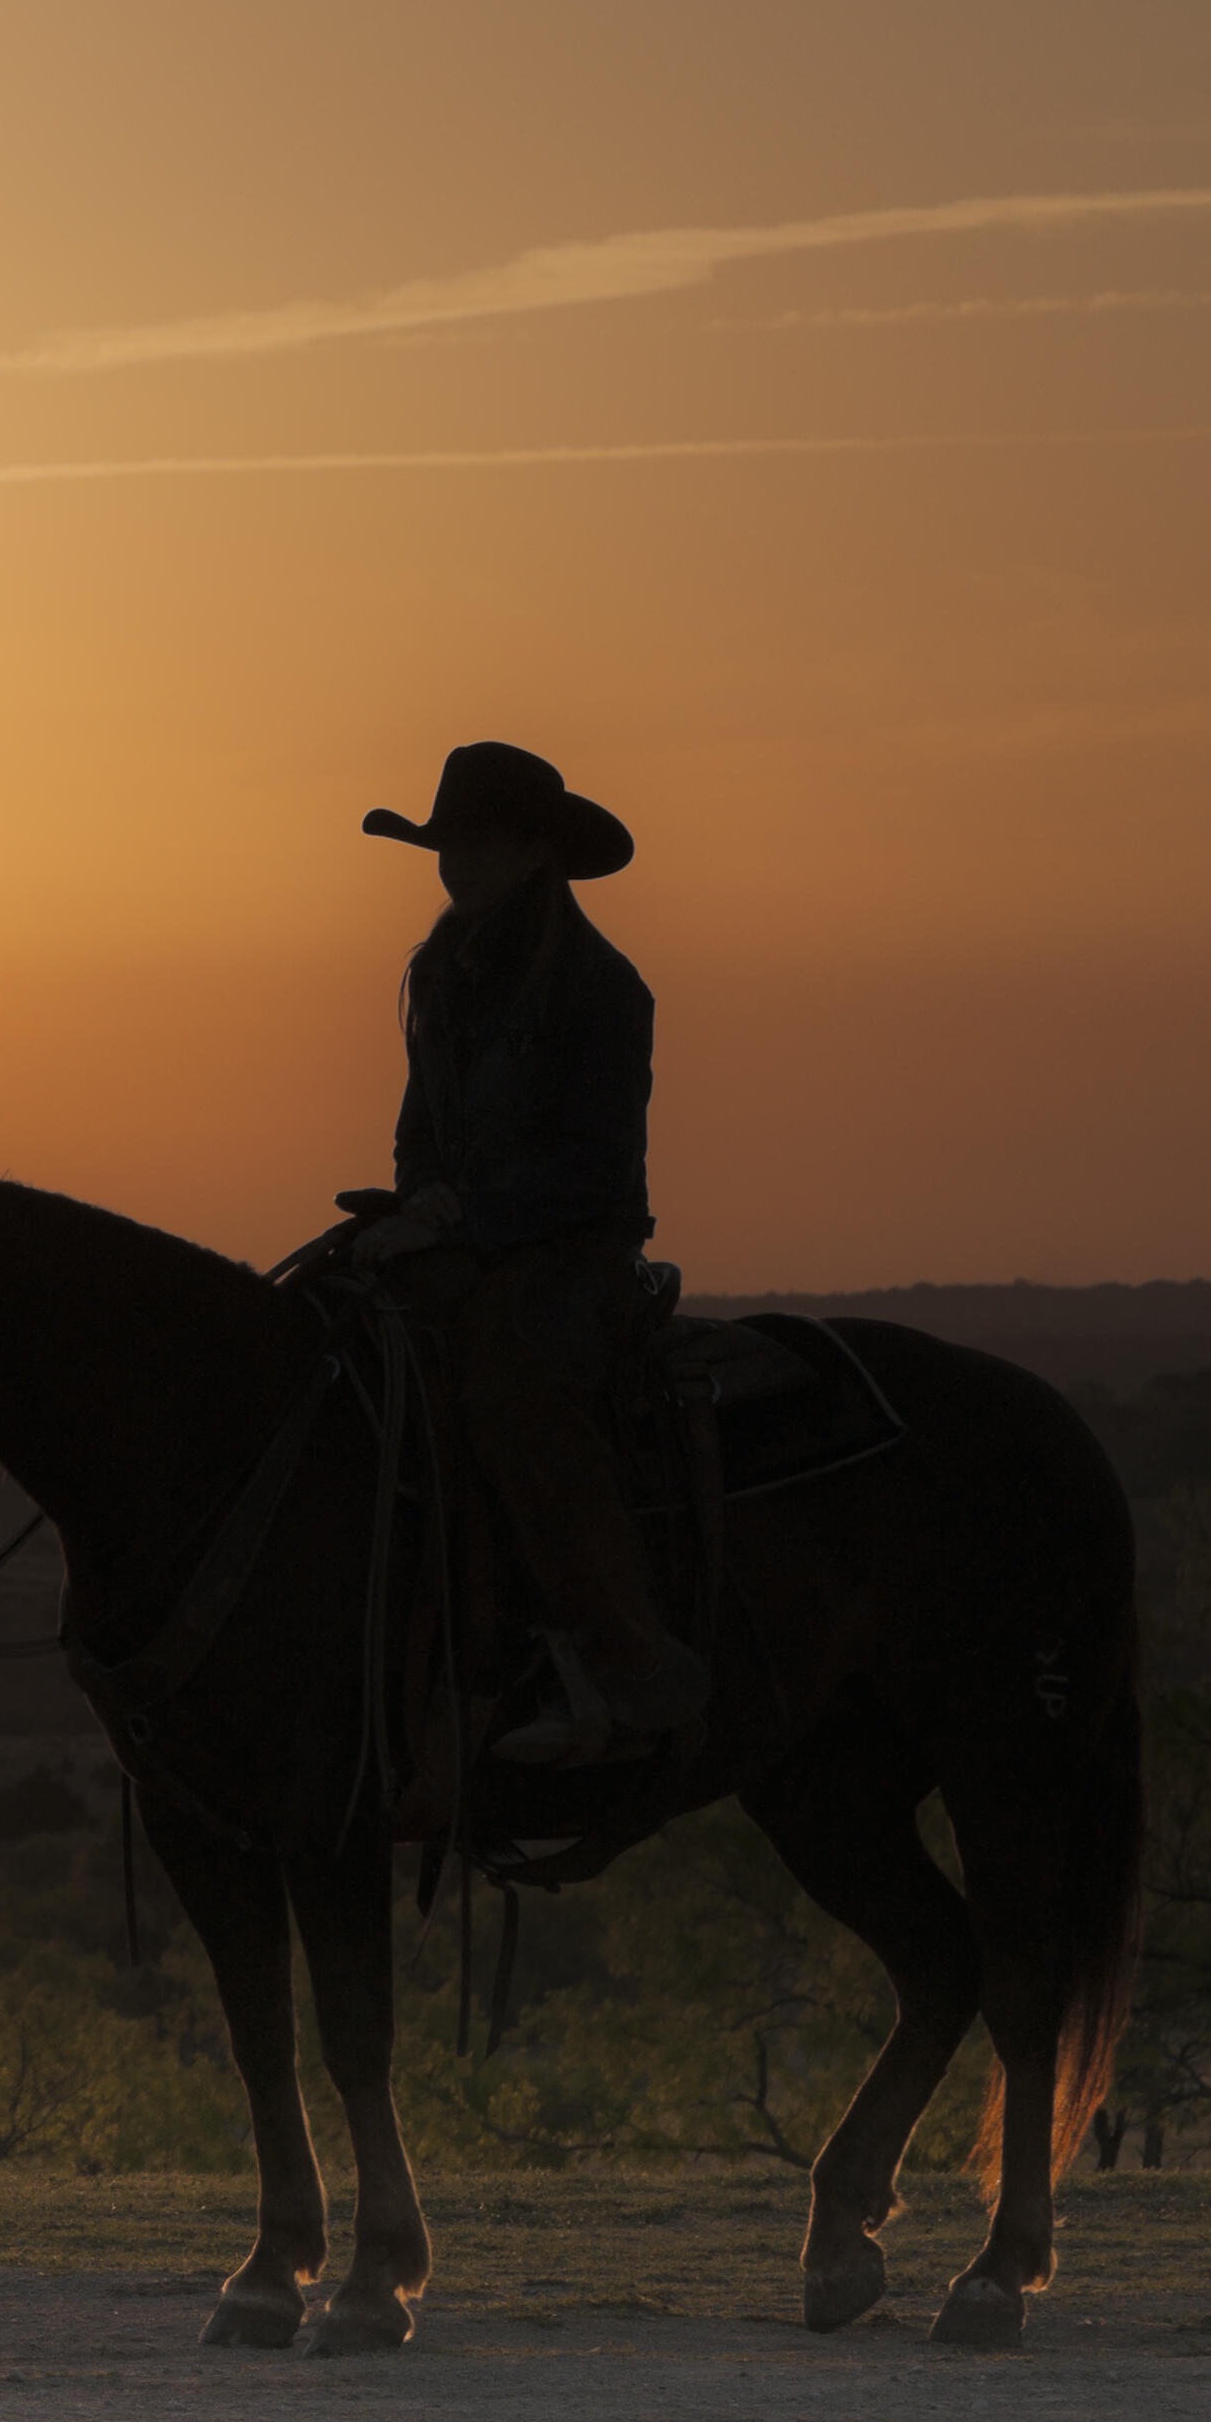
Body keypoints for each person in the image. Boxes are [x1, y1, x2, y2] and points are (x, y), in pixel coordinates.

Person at [346, 740, 701, 1771]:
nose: (454, 864)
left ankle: (621, 1657)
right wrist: (419, 1203)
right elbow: (417, 1128)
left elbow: (599, 1175)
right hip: (459, 1239)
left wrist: (463, 1220)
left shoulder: (602, 990)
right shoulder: (437, 976)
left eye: (476, 843)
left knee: (507, 1385)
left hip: (569, 1258)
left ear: (532, 853)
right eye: (445, 844)